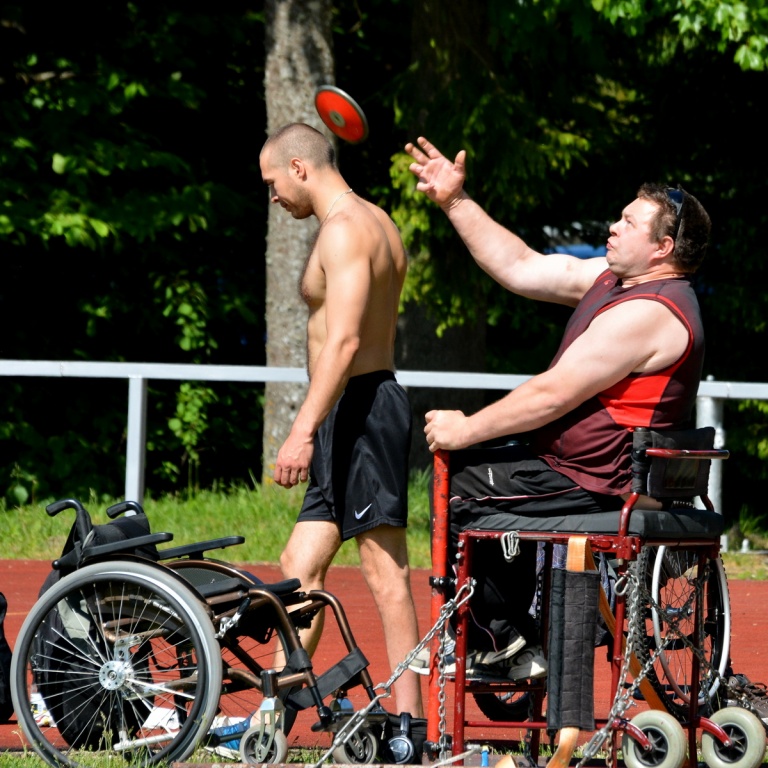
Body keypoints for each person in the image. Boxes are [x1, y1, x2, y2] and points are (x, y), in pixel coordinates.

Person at [404, 136, 712, 681]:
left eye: (628, 222)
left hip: (599, 479)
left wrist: (465, 428)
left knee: (464, 483)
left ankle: (498, 640)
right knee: (490, 468)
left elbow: (554, 393)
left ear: (662, 248)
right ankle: (513, 637)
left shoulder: (651, 310)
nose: (612, 227)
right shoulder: (616, 282)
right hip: (574, 468)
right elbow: (521, 266)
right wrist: (454, 200)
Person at [259, 123, 423, 718]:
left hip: (363, 410)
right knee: (299, 568)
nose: (273, 197)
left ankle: (412, 723)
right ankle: (273, 716)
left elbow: (346, 339)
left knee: (385, 574)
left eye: (273, 183)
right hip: (344, 413)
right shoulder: (373, 220)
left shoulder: (348, 228)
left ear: (299, 168)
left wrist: (301, 431)